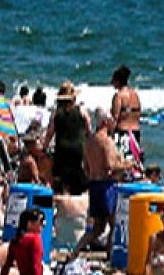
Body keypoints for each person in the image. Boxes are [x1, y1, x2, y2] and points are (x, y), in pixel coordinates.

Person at [78, 112, 124, 254]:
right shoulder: (106, 141)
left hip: (94, 184)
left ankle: (76, 250)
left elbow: (85, 166)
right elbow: (110, 165)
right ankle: (110, 255)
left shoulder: (89, 141)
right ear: (105, 123)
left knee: (98, 228)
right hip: (106, 186)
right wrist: (127, 165)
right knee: (113, 223)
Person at [43, 82, 89, 196]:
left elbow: (50, 133)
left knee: (61, 180)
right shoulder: (82, 111)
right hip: (78, 149)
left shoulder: (56, 114)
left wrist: (44, 147)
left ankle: (62, 201)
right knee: (78, 178)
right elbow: (88, 130)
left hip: (62, 150)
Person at [0, 207, 45, 275]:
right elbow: (36, 266)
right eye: (41, 222)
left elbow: (6, 266)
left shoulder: (15, 241)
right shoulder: (35, 239)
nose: (43, 225)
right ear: (29, 224)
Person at [109, 65, 143, 170]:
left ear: (118, 81)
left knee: (123, 163)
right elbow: (138, 113)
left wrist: (110, 134)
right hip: (136, 131)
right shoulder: (135, 95)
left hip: (122, 132)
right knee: (134, 161)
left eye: (113, 80)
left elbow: (115, 117)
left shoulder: (118, 96)